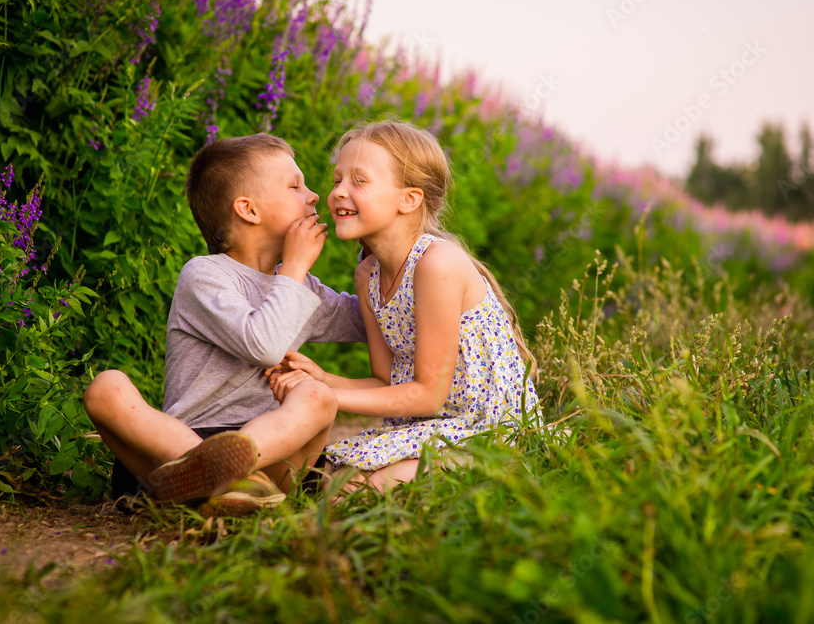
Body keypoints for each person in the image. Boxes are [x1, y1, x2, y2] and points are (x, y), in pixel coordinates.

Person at [83, 133, 366, 516]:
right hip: (178, 450)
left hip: (273, 457)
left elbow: (370, 322)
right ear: (248, 210)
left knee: (318, 396)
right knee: (106, 387)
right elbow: (262, 344)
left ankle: (239, 484)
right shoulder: (205, 275)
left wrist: (377, 252)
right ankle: (212, 471)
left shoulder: (301, 286)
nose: (314, 195)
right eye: (295, 185)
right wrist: (296, 269)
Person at [269, 119, 540, 495]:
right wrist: (323, 379)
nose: (338, 193)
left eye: (358, 181)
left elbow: (428, 396)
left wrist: (328, 394)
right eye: (337, 180)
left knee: (363, 488)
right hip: (430, 428)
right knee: (330, 479)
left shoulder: (436, 264)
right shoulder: (369, 276)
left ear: (409, 199)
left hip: (485, 430)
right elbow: (386, 383)